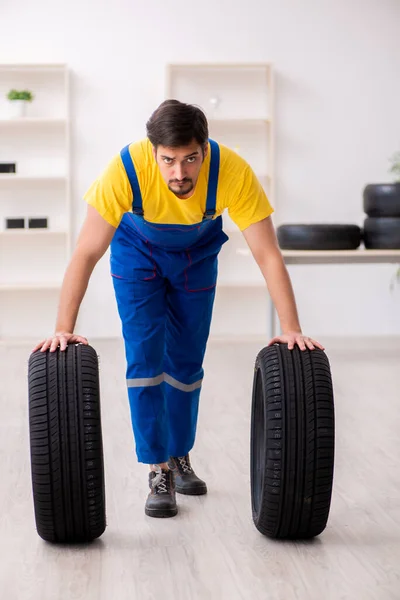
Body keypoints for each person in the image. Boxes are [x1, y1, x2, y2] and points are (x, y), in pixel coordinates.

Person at [34, 99, 324, 519]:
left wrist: (291, 327)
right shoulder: (124, 170)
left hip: (196, 257)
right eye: (168, 160)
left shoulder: (232, 171)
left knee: (186, 362)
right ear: (153, 152)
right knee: (145, 357)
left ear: (204, 148)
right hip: (137, 256)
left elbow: (267, 253)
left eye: (190, 159)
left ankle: (179, 454)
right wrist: (63, 327)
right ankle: (158, 469)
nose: (180, 173)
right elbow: (86, 252)